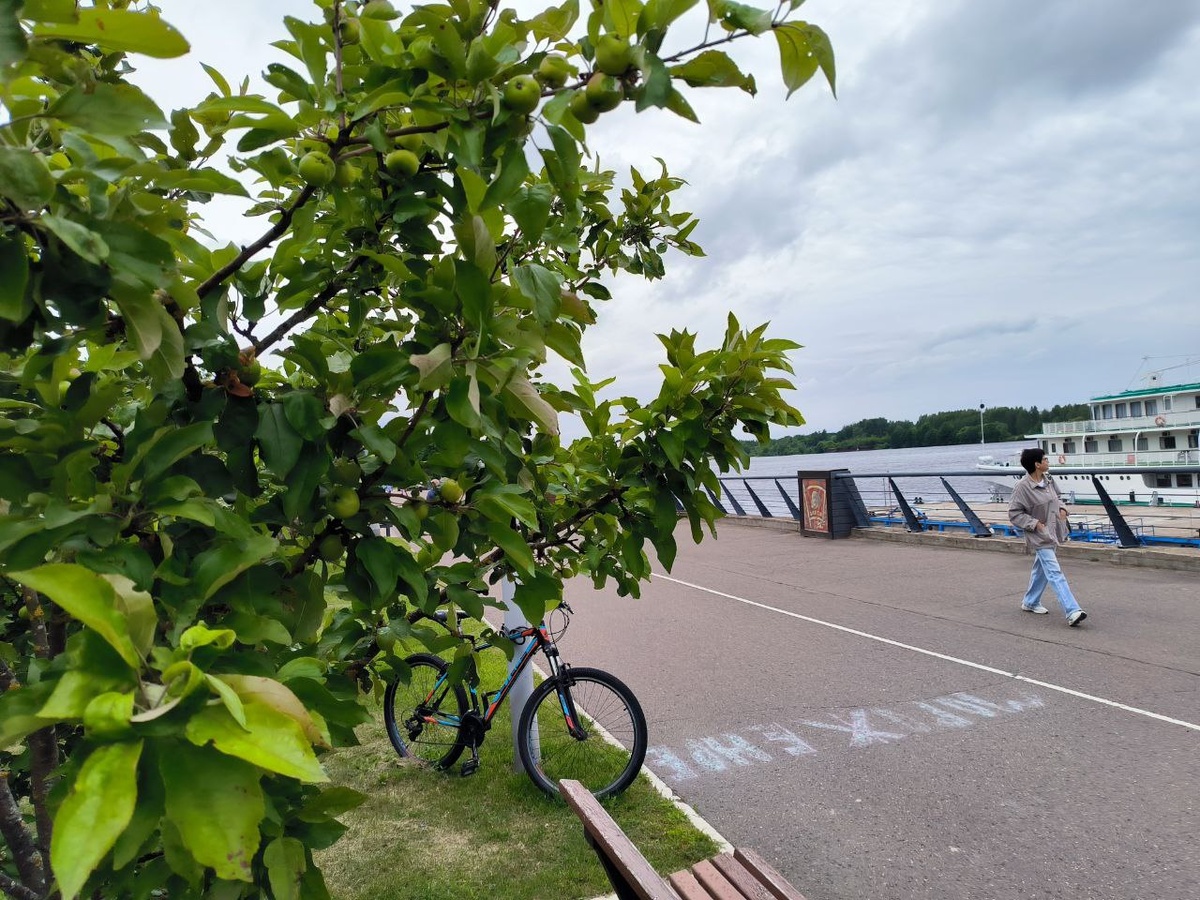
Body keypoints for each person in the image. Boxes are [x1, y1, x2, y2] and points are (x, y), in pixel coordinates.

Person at [1007, 447, 1087, 626]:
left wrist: (1063, 509)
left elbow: (1057, 497)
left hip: (1054, 530)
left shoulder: (1048, 479)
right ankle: (1072, 610)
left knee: (1041, 569)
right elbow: (1014, 514)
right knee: (1054, 571)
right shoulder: (1022, 487)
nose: (1048, 461)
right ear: (1037, 464)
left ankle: (1030, 601)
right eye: (1045, 459)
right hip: (1039, 534)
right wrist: (1035, 524)